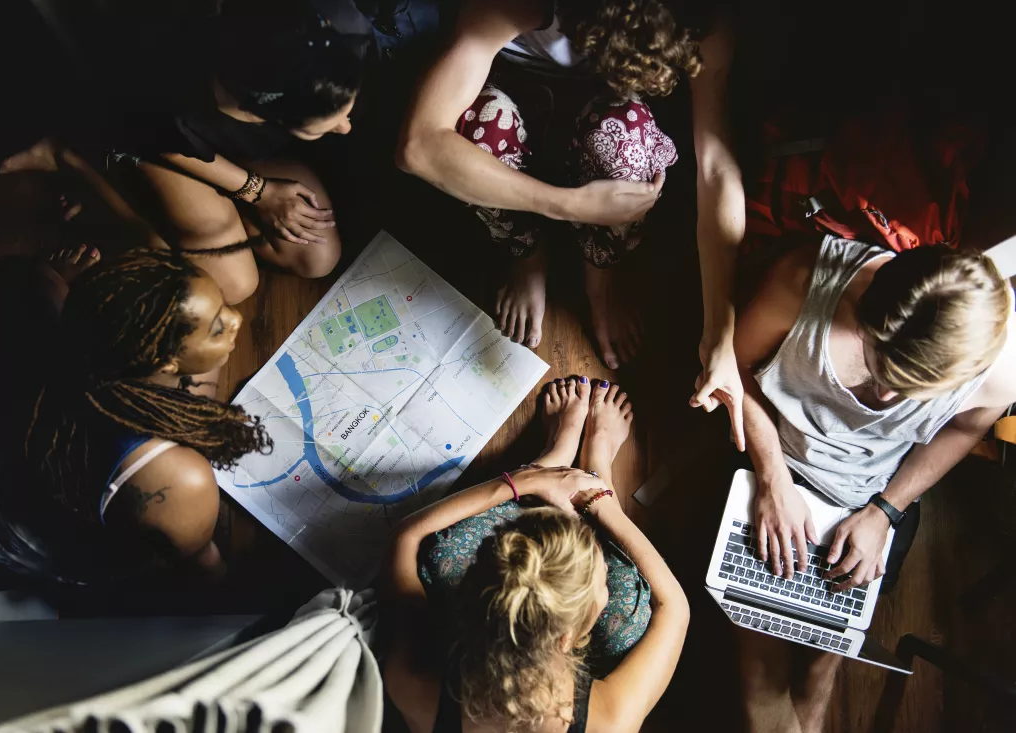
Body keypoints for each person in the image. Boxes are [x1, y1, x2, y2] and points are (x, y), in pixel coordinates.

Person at [397, 0, 745, 435]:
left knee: (628, 138)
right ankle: (527, 254)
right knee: (479, 129)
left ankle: (601, 276)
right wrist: (568, 205)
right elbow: (419, 146)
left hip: (608, 111)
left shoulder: (704, 17)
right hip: (512, 86)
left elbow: (717, 168)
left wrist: (720, 335)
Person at [733, 237, 1016, 732]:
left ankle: (820, 671)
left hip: (877, 495)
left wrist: (885, 510)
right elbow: (734, 369)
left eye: (909, 391)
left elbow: (965, 430)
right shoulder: (804, 282)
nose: (884, 397)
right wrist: (773, 479)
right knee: (760, 656)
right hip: (777, 458)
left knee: (827, 642)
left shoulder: (1001, 369)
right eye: (876, 363)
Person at [4, 0, 372, 305]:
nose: (345, 128)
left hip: (223, 148)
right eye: (324, 126)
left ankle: (164, 206)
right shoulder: (172, 97)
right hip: (153, 144)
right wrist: (260, 192)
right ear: (258, 114)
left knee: (317, 258)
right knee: (235, 286)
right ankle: (73, 159)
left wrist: (265, 193)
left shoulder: (339, 28)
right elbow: (166, 145)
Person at [383, 377, 689, 732]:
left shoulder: (415, 687)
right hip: (595, 510)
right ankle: (596, 472)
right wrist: (603, 504)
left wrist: (527, 479)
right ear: (569, 639)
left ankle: (551, 462)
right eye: (600, 580)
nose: (603, 584)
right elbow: (674, 609)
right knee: (628, 623)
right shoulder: (609, 722)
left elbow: (406, 536)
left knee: (441, 555)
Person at [0, 248, 273, 583]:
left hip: (12, 469)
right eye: (217, 328)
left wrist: (63, 279)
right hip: (43, 538)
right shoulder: (180, 480)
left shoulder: (61, 316)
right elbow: (202, 563)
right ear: (164, 363)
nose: (237, 318)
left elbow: (25, 275)